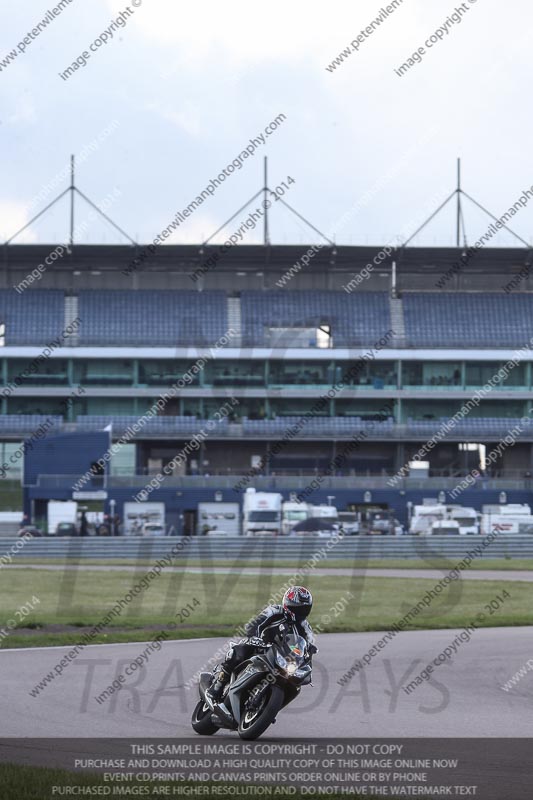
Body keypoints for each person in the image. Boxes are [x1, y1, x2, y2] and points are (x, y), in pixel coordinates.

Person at [206, 586, 317, 707]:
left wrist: (309, 654)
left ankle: (267, 706)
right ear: (288, 604)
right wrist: (255, 637)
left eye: (305, 609)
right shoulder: (274, 610)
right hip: (259, 645)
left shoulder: (305, 626)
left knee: (295, 685)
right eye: (298, 609)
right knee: (239, 652)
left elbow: (308, 645)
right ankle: (218, 685)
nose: (301, 612)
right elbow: (255, 624)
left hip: (281, 658)